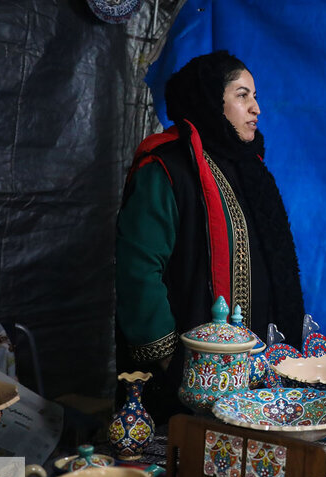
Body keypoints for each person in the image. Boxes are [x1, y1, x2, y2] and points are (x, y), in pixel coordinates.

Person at [115, 51, 306, 420]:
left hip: (255, 377)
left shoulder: (249, 169)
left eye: (254, 96)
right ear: (209, 100)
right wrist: (169, 360)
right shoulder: (166, 168)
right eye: (242, 95)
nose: (256, 109)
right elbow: (138, 271)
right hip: (186, 379)